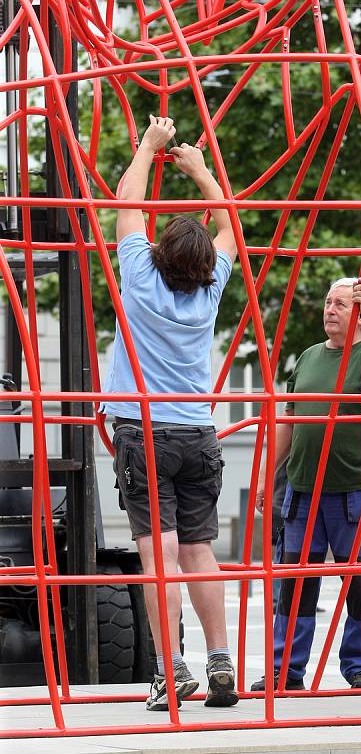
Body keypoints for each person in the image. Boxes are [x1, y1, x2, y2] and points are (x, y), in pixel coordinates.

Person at [101, 115, 239, 711]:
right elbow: (231, 223)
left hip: (145, 427)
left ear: (158, 256)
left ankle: (170, 669)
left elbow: (127, 202)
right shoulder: (209, 293)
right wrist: (202, 171)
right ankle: (221, 659)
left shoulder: (139, 278)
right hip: (198, 431)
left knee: (159, 553)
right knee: (199, 550)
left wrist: (148, 146)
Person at [252, 277, 361, 691]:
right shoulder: (308, 356)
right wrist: (264, 477)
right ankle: (284, 671)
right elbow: (288, 421)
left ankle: (360, 667)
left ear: (359, 315)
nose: (330, 309)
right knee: (294, 585)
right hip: (302, 489)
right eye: (329, 302)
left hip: (353, 489)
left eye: (341, 304)